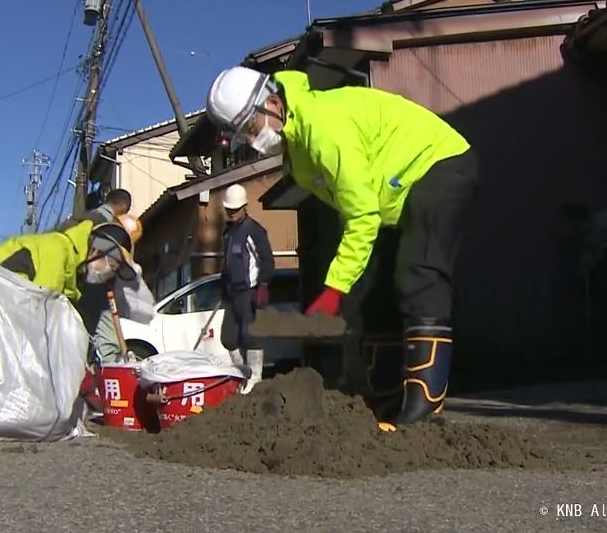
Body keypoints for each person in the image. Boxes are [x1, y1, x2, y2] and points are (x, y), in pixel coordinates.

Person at [205, 66, 479, 428]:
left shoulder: (323, 129)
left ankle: (424, 412)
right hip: (396, 196)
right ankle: (388, 406)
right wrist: (346, 285)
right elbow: (350, 209)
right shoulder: (298, 145)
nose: (253, 142)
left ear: (272, 103)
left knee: (418, 272)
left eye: (251, 129)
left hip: (440, 164)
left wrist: (334, 287)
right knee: (369, 290)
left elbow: (362, 215)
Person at [0, 219, 136, 338]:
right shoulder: (55, 249)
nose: (108, 274)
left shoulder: (69, 267)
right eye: (110, 265)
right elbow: (41, 311)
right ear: (97, 250)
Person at [219, 183, 274, 394]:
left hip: (250, 292)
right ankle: (242, 373)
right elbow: (227, 262)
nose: (231, 213)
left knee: (250, 336)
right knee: (228, 338)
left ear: (244, 207)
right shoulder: (228, 233)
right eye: (228, 209)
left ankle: (255, 379)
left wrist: (264, 284)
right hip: (233, 293)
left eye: (235, 209)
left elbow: (267, 260)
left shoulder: (255, 231)